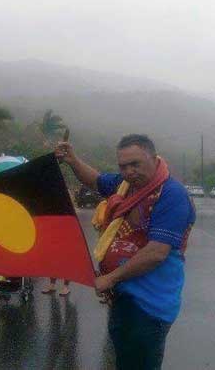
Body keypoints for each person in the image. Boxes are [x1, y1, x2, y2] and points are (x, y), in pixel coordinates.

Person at [55, 134, 194, 370]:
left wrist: (109, 278)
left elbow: (156, 253)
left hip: (150, 303)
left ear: (153, 157)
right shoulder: (126, 185)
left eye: (135, 164)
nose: (129, 171)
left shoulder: (171, 194)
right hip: (124, 296)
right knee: (125, 360)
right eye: (123, 166)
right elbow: (96, 181)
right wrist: (72, 160)